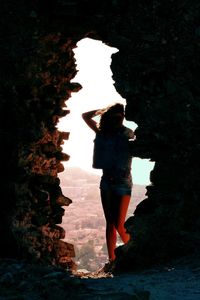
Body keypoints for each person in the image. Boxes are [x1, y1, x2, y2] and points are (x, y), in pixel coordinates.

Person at [82, 103, 135, 272]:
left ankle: (134, 253)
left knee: (119, 224)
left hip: (122, 181)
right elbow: (85, 116)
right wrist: (102, 110)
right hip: (106, 181)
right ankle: (112, 259)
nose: (119, 118)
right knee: (110, 223)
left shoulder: (128, 133)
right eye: (116, 115)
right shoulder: (103, 131)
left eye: (121, 115)